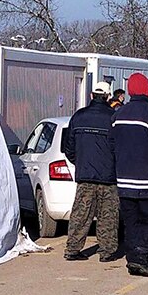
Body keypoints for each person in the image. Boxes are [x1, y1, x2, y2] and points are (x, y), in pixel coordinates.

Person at [112, 73, 148, 277]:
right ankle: (141, 256)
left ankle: (134, 256)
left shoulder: (118, 115)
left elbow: (112, 144)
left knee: (131, 221)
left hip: (124, 180)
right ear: (147, 89)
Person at [62, 88, 122, 262]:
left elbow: (69, 147)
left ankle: (72, 249)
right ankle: (107, 251)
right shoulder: (113, 117)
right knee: (108, 216)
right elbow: (118, 147)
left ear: (91, 96)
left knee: (81, 214)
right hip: (109, 177)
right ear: (108, 96)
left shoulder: (79, 116)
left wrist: (80, 162)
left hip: (85, 176)